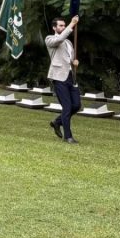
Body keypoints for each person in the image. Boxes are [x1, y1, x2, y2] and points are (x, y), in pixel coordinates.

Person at [45, 16, 81, 144]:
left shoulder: (69, 43)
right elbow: (59, 39)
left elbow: (69, 59)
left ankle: (57, 122)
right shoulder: (50, 39)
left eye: (63, 25)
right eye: (60, 25)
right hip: (58, 78)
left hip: (71, 77)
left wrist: (74, 62)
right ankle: (68, 136)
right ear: (54, 27)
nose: (62, 27)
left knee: (76, 105)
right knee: (67, 107)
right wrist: (71, 24)